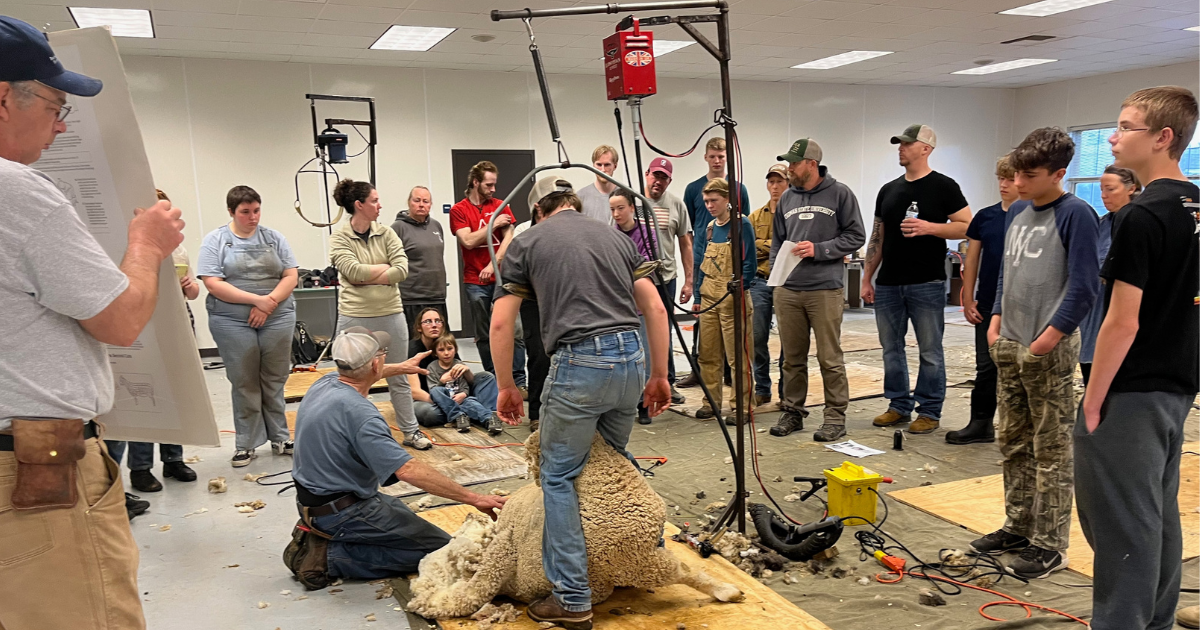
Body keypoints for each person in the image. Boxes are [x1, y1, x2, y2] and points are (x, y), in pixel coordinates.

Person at [0, 16, 185, 626]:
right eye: (54, 104)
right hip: (30, 469)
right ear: (4, 97)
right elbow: (121, 321)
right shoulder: (17, 190)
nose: (61, 123)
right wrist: (147, 246)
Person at [488, 176, 671, 630]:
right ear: (573, 203)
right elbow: (655, 308)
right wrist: (660, 374)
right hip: (631, 356)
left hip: (579, 362)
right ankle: (634, 559)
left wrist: (508, 384)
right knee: (613, 464)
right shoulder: (616, 236)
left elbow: (499, 322)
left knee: (560, 476)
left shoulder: (527, 243)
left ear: (538, 211)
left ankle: (572, 598)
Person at [1077, 86, 1199, 630]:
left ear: (1162, 138)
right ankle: (1157, 621)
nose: (1113, 137)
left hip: (1134, 388)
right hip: (1178, 382)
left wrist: (1093, 399)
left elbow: (1122, 321)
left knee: (1123, 523)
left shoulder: (1140, 215)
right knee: (1155, 511)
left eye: (1126, 126)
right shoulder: (1194, 204)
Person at [285, 327, 508, 589]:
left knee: (401, 513)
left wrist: (401, 367)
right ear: (375, 364)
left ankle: (326, 537)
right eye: (382, 355)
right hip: (343, 511)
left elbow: (360, 371)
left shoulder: (324, 383)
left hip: (315, 501)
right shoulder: (362, 416)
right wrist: (475, 498)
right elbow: (408, 470)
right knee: (441, 550)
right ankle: (328, 558)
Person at [975, 127, 1100, 580]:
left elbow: (1085, 285)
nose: (1019, 183)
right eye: (1016, 174)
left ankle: (1050, 544)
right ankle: (1018, 525)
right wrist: (995, 320)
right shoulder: (1021, 212)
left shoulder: (1077, 214)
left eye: (1030, 175)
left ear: (1059, 174)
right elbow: (1009, 273)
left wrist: (1049, 337)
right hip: (1010, 341)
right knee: (1012, 440)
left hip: (1049, 350)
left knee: (1052, 449)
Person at [862, 125, 971, 435]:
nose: (902, 148)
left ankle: (930, 411)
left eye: (908, 144)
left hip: (927, 281)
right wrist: (867, 277)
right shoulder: (888, 190)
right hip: (889, 284)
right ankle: (898, 405)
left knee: (930, 350)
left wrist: (930, 228)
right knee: (890, 348)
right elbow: (878, 236)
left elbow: (967, 225)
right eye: (900, 144)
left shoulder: (944, 186)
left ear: (926, 149)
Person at [767, 139, 866, 442]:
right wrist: (777, 277)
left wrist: (820, 249)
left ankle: (835, 417)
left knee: (829, 357)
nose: (789, 169)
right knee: (792, 359)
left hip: (824, 289)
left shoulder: (840, 194)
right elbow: (777, 241)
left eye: (794, 163)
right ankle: (793, 412)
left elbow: (856, 236)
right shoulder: (786, 199)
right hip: (789, 291)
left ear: (811, 164)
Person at [106, 188, 199, 494]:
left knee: (174, 391)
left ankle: (174, 458)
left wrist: (188, 286)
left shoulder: (179, 248)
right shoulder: (127, 248)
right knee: (144, 394)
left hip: (176, 321)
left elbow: (193, 291)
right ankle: (141, 467)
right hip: (143, 324)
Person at [199, 185, 298, 467]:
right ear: (231, 212)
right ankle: (247, 442)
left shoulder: (274, 238)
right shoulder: (215, 241)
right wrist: (258, 301)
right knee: (244, 380)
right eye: (245, 212)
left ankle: (280, 436)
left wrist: (269, 303)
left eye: (256, 210)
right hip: (231, 319)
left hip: (277, 315)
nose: (252, 217)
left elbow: (290, 275)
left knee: (274, 377)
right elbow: (212, 283)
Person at [329, 178, 431, 451]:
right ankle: (353, 435)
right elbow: (352, 272)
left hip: (390, 313)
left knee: (398, 375)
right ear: (359, 205)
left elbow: (402, 269)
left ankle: (411, 432)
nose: (380, 205)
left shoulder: (387, 233)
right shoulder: (339, 236)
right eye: (374, 201)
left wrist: (366, 275)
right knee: (351, 379)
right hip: (354, 315)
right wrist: (383, 272)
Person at [947, 156, 1024, 445]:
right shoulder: (986, 217)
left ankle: (1018, 428)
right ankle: (980, 423)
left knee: (1020, 368)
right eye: (1000, 178)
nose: (1004, 185)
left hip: (1022, 306)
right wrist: (968, 299)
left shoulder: (1032, 215)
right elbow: (972, 258)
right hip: (989, 303)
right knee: (986, 367)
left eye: (1010, 178)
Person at [677, 137, 750, 389]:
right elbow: (686, 228)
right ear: (706, 158)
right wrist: (691, 275)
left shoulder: (738, 189)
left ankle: (732, 375)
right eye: (713, 156)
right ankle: (700, 370)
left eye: (721, 156)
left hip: (729, 266)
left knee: (732, 328)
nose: (717, 160)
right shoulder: (693, 189)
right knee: (703, 320)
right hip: (702, 261)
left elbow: (744, 227)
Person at [449, 160, 527, 396]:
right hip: (474, 281)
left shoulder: (500, 205)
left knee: (514, 329)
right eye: (489, 185)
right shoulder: (459, 210)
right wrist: (494, 224)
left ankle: (519, 380)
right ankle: (494, 378)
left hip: (503, 278)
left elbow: (510, 237)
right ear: (476, 183)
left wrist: (493, 266)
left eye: (495, 185)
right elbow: (469, 241)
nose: (494, 189)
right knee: (484, 333)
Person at [692, 178, 757, 422]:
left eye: (714, 200)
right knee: (707, 355)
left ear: (727, 199)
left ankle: (742, 407)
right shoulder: (710, 228)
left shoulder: (741, 225)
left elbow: (749, 263)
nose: (709, 205)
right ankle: (711, 402)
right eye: (706, 201)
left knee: (737, 357)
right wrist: (698, 295)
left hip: (733, 298)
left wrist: (742, 287)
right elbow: (702, 265)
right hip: (709, 297)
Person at [1076, 165, 1141, 386]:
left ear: (1131, 188)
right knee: (1090, 369)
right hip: (1094, 310)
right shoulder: (1102, 224)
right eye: (1101, 189)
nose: (1103, 195)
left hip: (1123, 310)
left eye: (1110, 189)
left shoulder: (1141, 222)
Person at [643, 157, 692, 404]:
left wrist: (689, 281)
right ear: (646, 174)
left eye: (663, 178)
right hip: (637, 280)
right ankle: (638, 386)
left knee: (664, 330)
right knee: (636, 332)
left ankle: (667, 383)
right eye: (655, 175)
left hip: (665, 278)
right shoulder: (632, 202)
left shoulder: (676, 205)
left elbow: (685, 243)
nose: (658, 181)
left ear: (669, 181)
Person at [611, 188, 660, 424]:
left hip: (640, 304)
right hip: (618, 306)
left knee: (646, 356)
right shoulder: (610, 234)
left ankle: (645, 404)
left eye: (620, 208)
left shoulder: (647, 233)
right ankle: (625, 402)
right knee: (623, 357)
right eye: (612, 209)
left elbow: (646, 267)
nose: (617, 213)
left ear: (632, 207)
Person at [406, 306, 500, 429]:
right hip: (430, 397)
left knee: (487, 377)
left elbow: (468, 382)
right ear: (419, 327)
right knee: (428, 413)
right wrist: (446, 402)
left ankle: (486, 415)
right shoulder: (412, 351)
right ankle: (475, 411)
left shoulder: (446, 344)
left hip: (457, 392)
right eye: (428, 322)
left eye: (438, 321)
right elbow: (414, 392)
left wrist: (466, 371)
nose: (434, 325)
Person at [748, 163, 788, 407]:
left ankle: (787, 392)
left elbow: (790, 247)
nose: (774, 186)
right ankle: (762, 388)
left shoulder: (793, 213)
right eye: (771, 182)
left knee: (789, 340)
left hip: (786, 282)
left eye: (780, 181)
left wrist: (763, 244)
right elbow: (748, 247)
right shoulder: (755, 216)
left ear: (788, 183)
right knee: (757, 337)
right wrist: (773, 245)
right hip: (760, 281)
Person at [391, 185, 448, 328]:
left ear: (431, 204)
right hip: (411, 298)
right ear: (409, 202)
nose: (421, 205)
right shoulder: (398, 228)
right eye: (417, 200)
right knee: (415, 345)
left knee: (440, 345)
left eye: (426, 201)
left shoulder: (436, 226)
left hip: (437, 296)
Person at [427, 334, 501, 434]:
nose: (446, 353)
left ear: (455, 349)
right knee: (436, 390)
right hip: (446, 401)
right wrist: (442, 382)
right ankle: (458, 416)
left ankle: (489, 419)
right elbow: (433, 390)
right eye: (441, 350)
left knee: (471, 402)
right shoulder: (432, 367)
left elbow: (465, 385)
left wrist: (464, 394)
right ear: (435, 353)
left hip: (462, 399)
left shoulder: (459, 365)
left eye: (450, 349)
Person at [576, 145, 620, 224]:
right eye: (599, 165)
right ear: (593, 166)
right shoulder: (580, 197)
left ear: (615, 166)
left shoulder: (626, 196)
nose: (602, 170)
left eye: (607, 165)